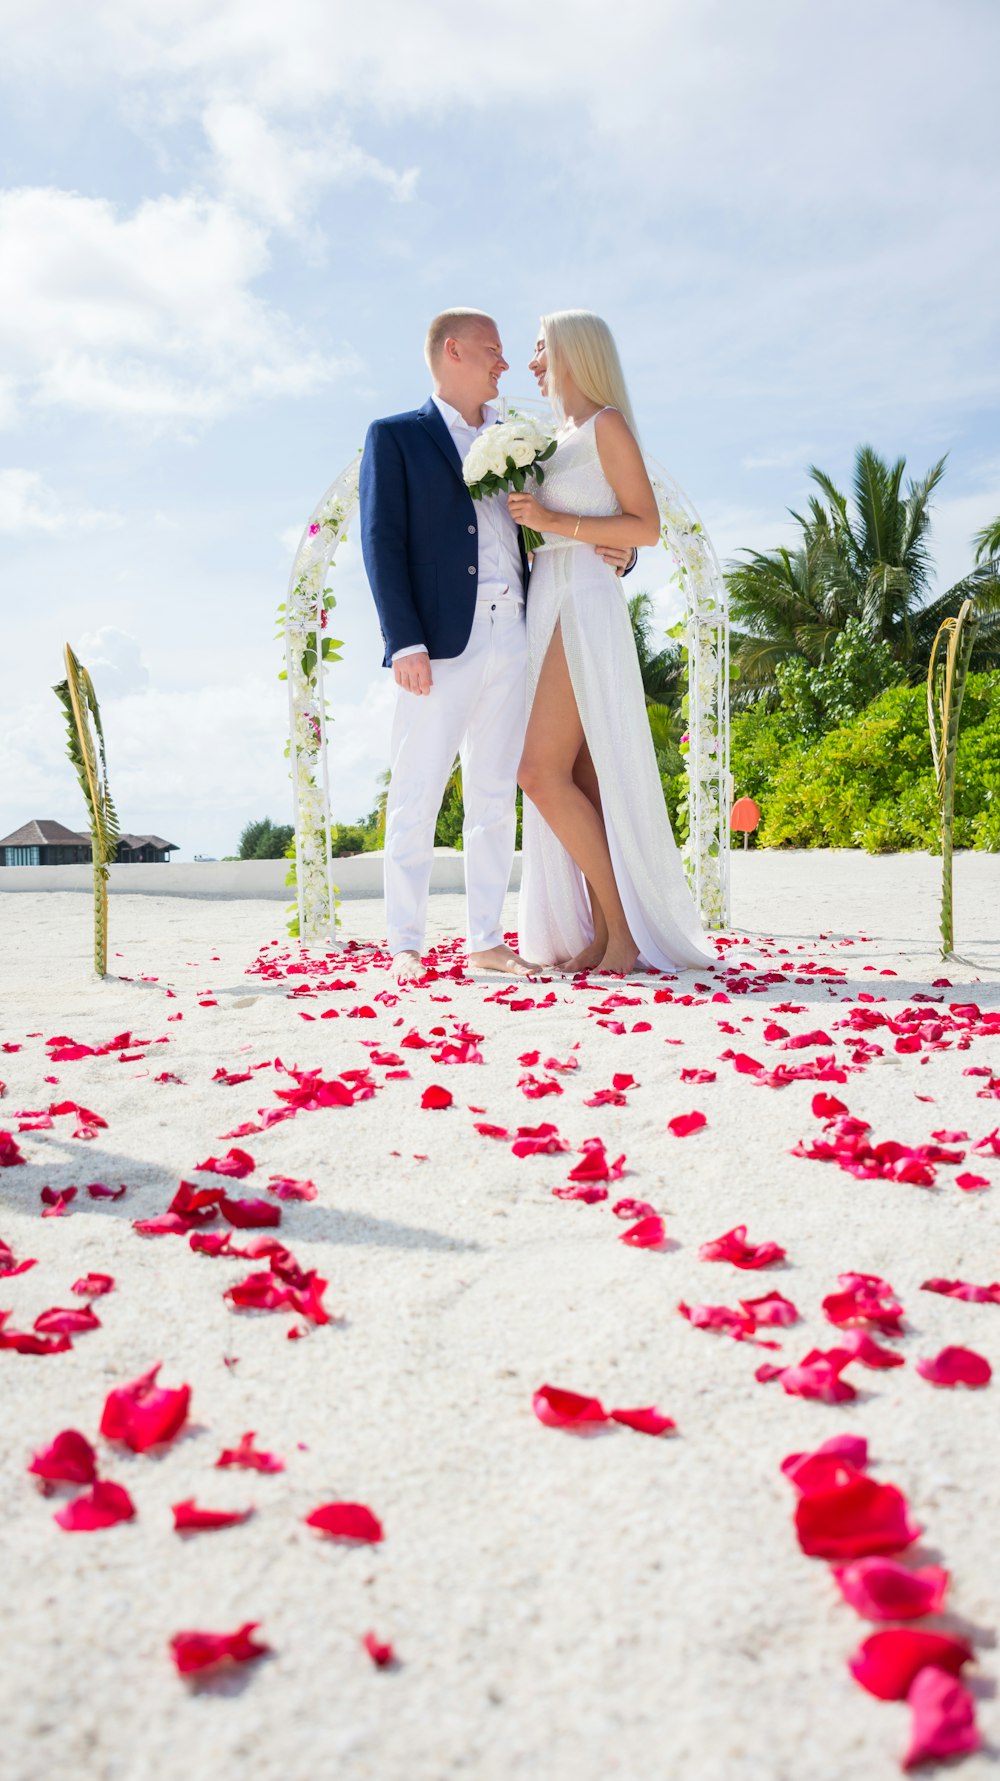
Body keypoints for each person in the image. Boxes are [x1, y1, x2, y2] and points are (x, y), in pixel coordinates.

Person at [358, 307, 633, 983]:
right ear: (453, 352)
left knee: (492, 793)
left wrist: (621, 556)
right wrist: (405, 641)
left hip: (516, 639)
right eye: (492, 351)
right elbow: (381, 542)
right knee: (417, 790)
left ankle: (485, 938)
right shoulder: (395, 437)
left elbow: (580, 511)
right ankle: (406, 941)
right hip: (438, 646)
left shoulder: (523, 441)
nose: (505, 365)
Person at [508, 309, 715, 976]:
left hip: (580, 599)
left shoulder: (606, 425)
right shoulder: (554, 437)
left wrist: (551, 520)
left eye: (542, 349)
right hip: (547, 598)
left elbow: (646, 526)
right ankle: (605, 935)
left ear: (573, 351)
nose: (533, 361)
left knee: (537, 772)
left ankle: (624, 933)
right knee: (581, 779)